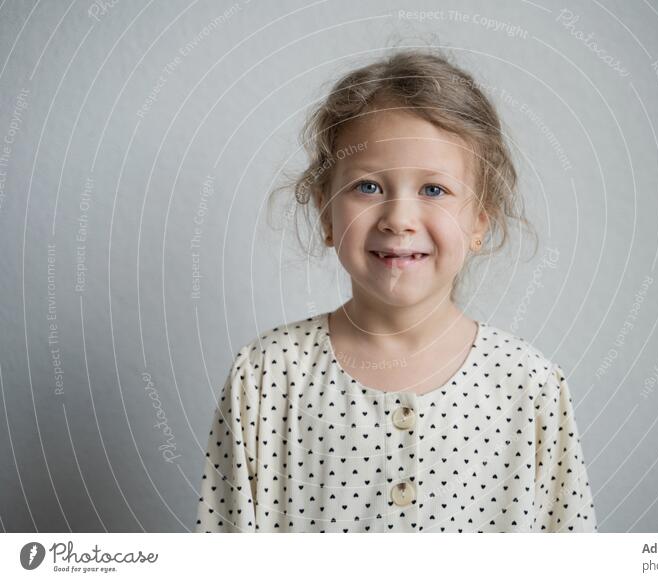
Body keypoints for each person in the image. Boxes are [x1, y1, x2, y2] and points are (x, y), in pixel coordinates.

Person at [194, 49, 597, 533]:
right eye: (367, 187)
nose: (399, 219)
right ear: (326, 213)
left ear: (480, 221)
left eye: (433, 190)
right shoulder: (266, 377)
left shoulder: (529, 387)